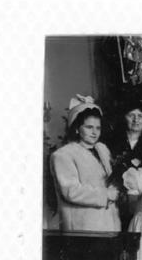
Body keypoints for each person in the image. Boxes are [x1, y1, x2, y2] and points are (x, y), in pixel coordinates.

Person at [50, 95, 121, 232]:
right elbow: (71, 191)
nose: (94, 133)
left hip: (107, 222)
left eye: (98, 128)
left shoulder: (102, 149)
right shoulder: (63, 155)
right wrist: (106, 195)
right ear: (77, 128)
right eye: (89, 127)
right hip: (82, 225)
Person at [107, 101, 142, 229]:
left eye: (140, 116)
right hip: (116, 201)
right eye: (131, 115)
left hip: (141, 201)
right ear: (124, 117)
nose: (136, 120)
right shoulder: (112, 142)